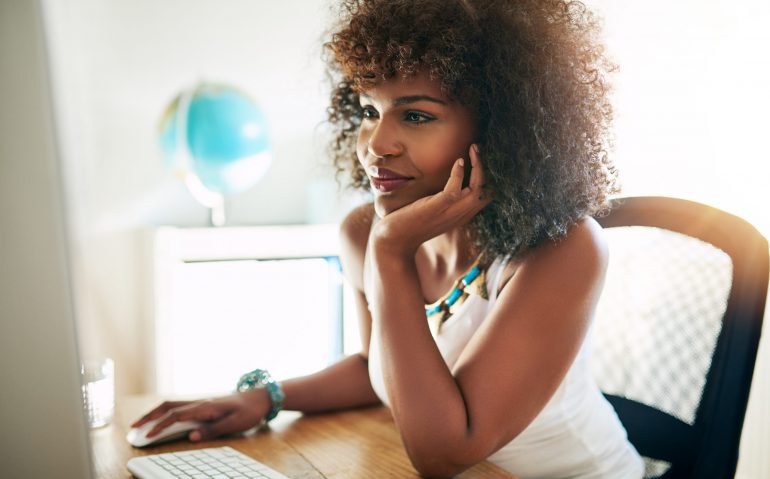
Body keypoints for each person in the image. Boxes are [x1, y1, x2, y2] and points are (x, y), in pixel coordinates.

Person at [133, 0, 645, 477]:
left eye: (416, 115)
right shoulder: (363, 232)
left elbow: (444, 450)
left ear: (500, 129)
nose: (377, 144)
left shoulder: (563, 251)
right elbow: (378, 370)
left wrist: (391, 254)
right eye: (369, 112)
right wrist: (269, 396)